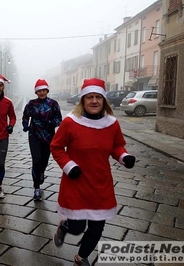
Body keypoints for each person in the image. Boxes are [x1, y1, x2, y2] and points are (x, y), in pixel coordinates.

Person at [50, 78, 136, 266]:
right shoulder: (71, 122)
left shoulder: (112, 123)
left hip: (100, 185)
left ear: (104, 100)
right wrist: (69, 165)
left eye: (98, 97)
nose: (94, 101)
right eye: (90, 97)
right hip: (76, 183)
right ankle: (65, 226)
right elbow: (56, 147)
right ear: (83, 100)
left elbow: (117, 146)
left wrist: (124, 156)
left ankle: (81, 257)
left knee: (97, 228)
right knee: (77, 228)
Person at [22, 79, 62, 201]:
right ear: (36, 92)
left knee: (44, 161)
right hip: (34, 136)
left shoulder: (53, 104)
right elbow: (25, 116)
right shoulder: (31, 104)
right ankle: (36, 188)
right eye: (39, 91)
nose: (42, 93)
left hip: (48, 137)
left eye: (44, 90)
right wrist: (25, 125)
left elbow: (59, 119)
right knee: (36, 160)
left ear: (47, 91)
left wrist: (50, 123)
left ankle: (42, 171)